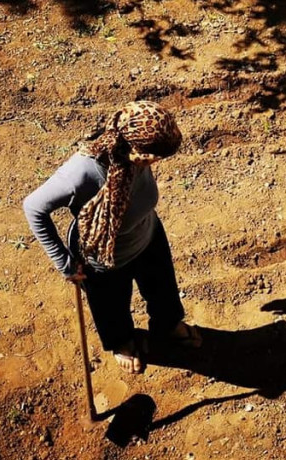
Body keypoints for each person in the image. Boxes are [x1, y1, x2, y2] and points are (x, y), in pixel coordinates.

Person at [23, 101, 202, 374]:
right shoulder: (82, 172)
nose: (156, 162)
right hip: (105, 257)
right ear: (134, 147)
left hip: (149, 236)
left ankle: (168, 326)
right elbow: (34, 207)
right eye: (154, 155)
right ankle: (123, 342)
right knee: (112, 309)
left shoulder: (135, 149)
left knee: (163, 290)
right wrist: (65, 264)